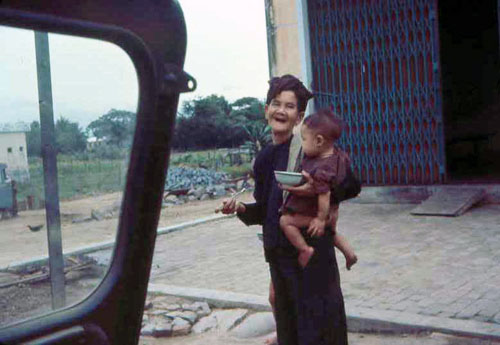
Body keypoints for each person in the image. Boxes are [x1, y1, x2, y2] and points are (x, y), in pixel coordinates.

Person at [219, 74, 348, 345]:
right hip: (278, 257)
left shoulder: (309, 149)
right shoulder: (264, 158)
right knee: (289, 332)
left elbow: (351, 184)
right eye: (276, 103)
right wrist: (240, 207)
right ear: (266, 110)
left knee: (318, 330)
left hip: (311, 258)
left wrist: (317, 188)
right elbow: (266, 210)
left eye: (289, 106)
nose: (281, 110)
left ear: (299, 117)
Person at [279, 108, 358, 269]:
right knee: (332, 234)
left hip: (320, 214)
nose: (302, 143)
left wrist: (320, 219)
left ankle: (304, 249)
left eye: (304, 139)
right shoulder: (337, 156)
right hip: (332, 211)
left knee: (285, 221)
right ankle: (350, 254)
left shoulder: (323, 169)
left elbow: (323, 194)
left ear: (319, 141)